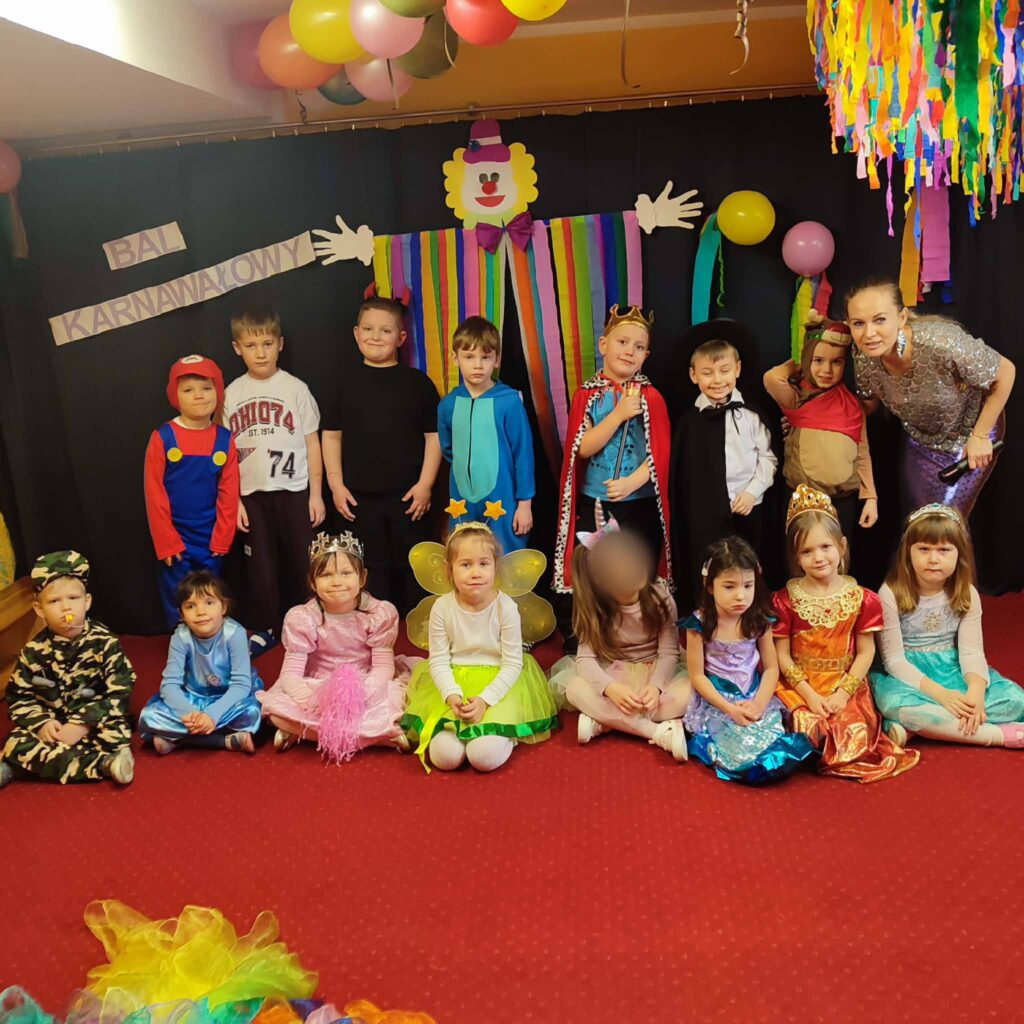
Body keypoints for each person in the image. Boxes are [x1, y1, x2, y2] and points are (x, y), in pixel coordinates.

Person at [773, 486, 919, 782]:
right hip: (800, 686)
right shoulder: (784, 600)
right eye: (807, 551)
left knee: (853, 732)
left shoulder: (863, 599)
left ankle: (868, 732)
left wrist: (842, 694)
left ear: (841, 546)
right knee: (807, 726)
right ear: (796, 557)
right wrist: (809, 696)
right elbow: (782, 655)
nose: (818, 557)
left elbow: (866, 652)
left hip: (845, 685)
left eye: (825, 547)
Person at [553, 305, 674, 646]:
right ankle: (592, 635)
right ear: (604, 345)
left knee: (637, 566)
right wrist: (619, 414)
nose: (629, 351)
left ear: (646, 355)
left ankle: (639, 635)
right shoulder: (587, 396)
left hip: (638, 503)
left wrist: (633, 482)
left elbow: (661, 454)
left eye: (639, 346)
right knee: (595, 567)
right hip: (596, 500)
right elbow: (582, 447)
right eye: (623, 342)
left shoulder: (651, 397)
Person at [846, 275, 1014, 516]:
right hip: (921, 443)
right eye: (858, 323)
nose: (869, 333)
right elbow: (869, 404)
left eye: (880, 320)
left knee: (946, 522)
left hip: (969, 436)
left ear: (902, 317)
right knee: (918, 520)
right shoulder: (863, 357)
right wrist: (825, 411)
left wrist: (980, 435)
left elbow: (1006, 372)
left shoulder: (941, 343)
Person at [321, 288, 441, 615]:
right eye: (368, 329)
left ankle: (419, 624)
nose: (375, 337)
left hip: (409, 497)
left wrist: (425, 485)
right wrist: (336, 485)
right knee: (370, 568)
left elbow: (434, 438)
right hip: (357, 498)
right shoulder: (341, 383)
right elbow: (331, 436)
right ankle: (373, 624)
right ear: (356, 333)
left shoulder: (418, 384)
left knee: (414, 564)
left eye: (385, 331)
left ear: (401, 338)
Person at [401, 523, 557, 773]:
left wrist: (485, 700)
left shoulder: (505, 607)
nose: (476, 573)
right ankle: (464, 731)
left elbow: (512, 663)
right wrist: (451, 695)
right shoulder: (442, 607)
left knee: (483, 757)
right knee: (445, 758)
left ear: (495, 567)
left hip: (499, 682)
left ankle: (506, 733)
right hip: (455, 680)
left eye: (484, 564)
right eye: (465, 564)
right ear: (449, 570)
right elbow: (438, 660)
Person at [870, 503, 1024, 749]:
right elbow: (894, 661)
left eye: (944, 550)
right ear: (908, 553)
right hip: (910, 675)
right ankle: (998, 735)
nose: (933, 559)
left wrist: (975, 695)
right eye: (924, 549)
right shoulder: (890, 593)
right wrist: (942, 695)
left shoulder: (967, 593)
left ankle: (920, 727)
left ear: (959, 554)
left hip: (952, 670)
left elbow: (972, 652)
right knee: (896, 705)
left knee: (1015, 701)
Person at [257, 531, 413, 759]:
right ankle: (377, 736)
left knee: (396, 700)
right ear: (312, 582)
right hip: (317, 684)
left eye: (346, 573)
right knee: (277, 711)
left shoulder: (379, 613)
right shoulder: (302, 617)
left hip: (365, 682)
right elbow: (290, 674)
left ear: (362, 578)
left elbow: (383, 668)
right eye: (326, 575)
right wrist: (316, 703)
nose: (337, 582)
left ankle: (304, 732)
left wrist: (357, 698)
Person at [223, 305, 325, 654]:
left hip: (294, 491)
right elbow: (224, 453)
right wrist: (234, 500)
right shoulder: (231, 394)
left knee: (304, 561)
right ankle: (266, 625)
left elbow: (313, 443)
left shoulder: (295, 389)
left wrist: (316, 494)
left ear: (280, 344)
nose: (261, 353)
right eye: (251, 346)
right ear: (237, 348)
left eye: (267, 344)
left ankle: (313, 623)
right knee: (260, 568)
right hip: (252, 496)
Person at [549, 522, 690, 760]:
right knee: (574, 689)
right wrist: (610, 689)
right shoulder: (594, 608)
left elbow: (669, 652)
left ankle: (605, 722)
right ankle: (657, 732)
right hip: (615, 673)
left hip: (658, 671)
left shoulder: (660, 596)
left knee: (690, 694)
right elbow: (585, 660)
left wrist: (655, 688)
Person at [682, 537, 815, 783]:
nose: (740, 596)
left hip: (754, 694)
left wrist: (759, 704)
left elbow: (771, 668)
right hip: (719, 699)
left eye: (748, 586)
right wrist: (730, 709)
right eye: (729, 587)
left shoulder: (759, 620)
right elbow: (697, 676)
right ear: (710, 586)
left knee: (770, 740)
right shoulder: (699, 624)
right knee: (737, 751)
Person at [1, 551, 134, 788]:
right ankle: (104, 765)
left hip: (95, 724)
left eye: (73, 598)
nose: (66, 608)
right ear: (39, 609)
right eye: (54, 601)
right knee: (15, 741)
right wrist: (42, 723)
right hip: (54, 727)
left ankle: (26, 765)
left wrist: (83, 723)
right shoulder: (32, 652)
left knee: (115, 733)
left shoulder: (105, 643)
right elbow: (19, 699)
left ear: (87, 602)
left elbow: (120, 693)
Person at [671, 331, 777, 603]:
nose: (717, 380)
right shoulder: (689, 423)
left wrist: (752, 492)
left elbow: (768, 458)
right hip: (705, 517)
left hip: (747, 510)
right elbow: (683, 478)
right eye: (707, 373)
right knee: (708, 569)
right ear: (694, 375)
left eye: (724, 370)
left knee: (748, 565)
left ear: (737, 369)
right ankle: (707, 618)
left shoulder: (752, 415)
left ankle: (750, 617)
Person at [763, 310, 878, 543]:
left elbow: (862, 452)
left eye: (836, 362)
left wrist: (870, 497)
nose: (827, 370)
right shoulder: (796, 398)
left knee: (839, 556)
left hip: (843, 500)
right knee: (800, 555)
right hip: (802, 496)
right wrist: (800, 364)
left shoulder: (852, 405)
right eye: (818, 361)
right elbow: (772, 378)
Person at [144, 355, 239, 629]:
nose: (198, 396)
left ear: (217, 392)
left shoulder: (224, 439)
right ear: (175, 396)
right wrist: (166, 540)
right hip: (176, 538)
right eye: (188, 390)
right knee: (178, 594)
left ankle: (211, 642)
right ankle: (182, 644)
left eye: (206, 388)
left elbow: (229, 492)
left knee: (210, 594)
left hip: (210, 538)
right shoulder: (163, 437)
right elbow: (154, 492)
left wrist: (222, 537)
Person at [437, 316, 535, 552]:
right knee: (463, 551)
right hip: (461, 500)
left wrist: (524, 504)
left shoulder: (509, 402)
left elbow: (523, 454)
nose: (478, 365)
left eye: (485, 357)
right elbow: (448, 449)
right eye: (469, 357)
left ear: (497, 359)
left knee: (504, 552)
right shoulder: (449, 404)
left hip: (502, 499)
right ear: (455, 358)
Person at [138, 572, 262, 754]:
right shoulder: (180, 637)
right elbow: (169, 685)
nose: (201, 612)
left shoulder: (235, 633)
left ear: (224, 607)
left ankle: (179, 739)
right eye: (190, 606)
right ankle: (224, 741)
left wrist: (212, 715)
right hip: (193, 698)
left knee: (252, 712)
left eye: (209, 603)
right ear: (181, 614)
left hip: (228, 697)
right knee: (149, 716)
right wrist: (191, 715)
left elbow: (241, 685)